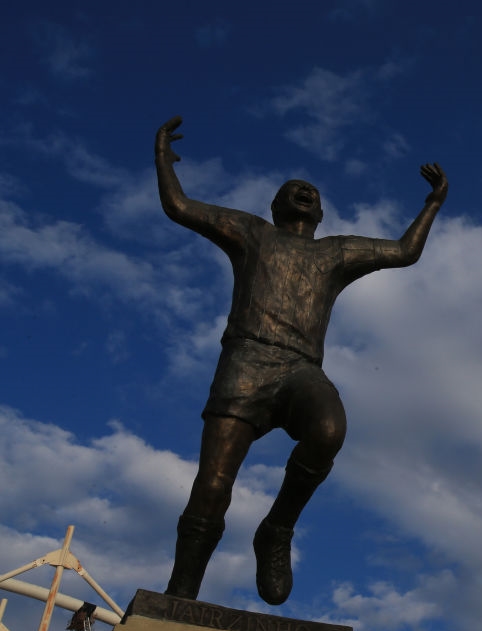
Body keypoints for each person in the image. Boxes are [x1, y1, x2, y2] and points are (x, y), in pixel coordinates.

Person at [155, 116, 448, 604]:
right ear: (274, 206)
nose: (304, 190)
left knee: (329, 430)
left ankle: (276, 530)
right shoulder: (251, 233)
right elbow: (179, 205)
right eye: (293, 188)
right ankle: (181, 590)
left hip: (299, 370)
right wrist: (163, 157)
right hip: (245, 365)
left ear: (322, 213)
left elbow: (403, 251)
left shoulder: (335, 253)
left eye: (311, 189)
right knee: (211, 486)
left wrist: (432, 203)